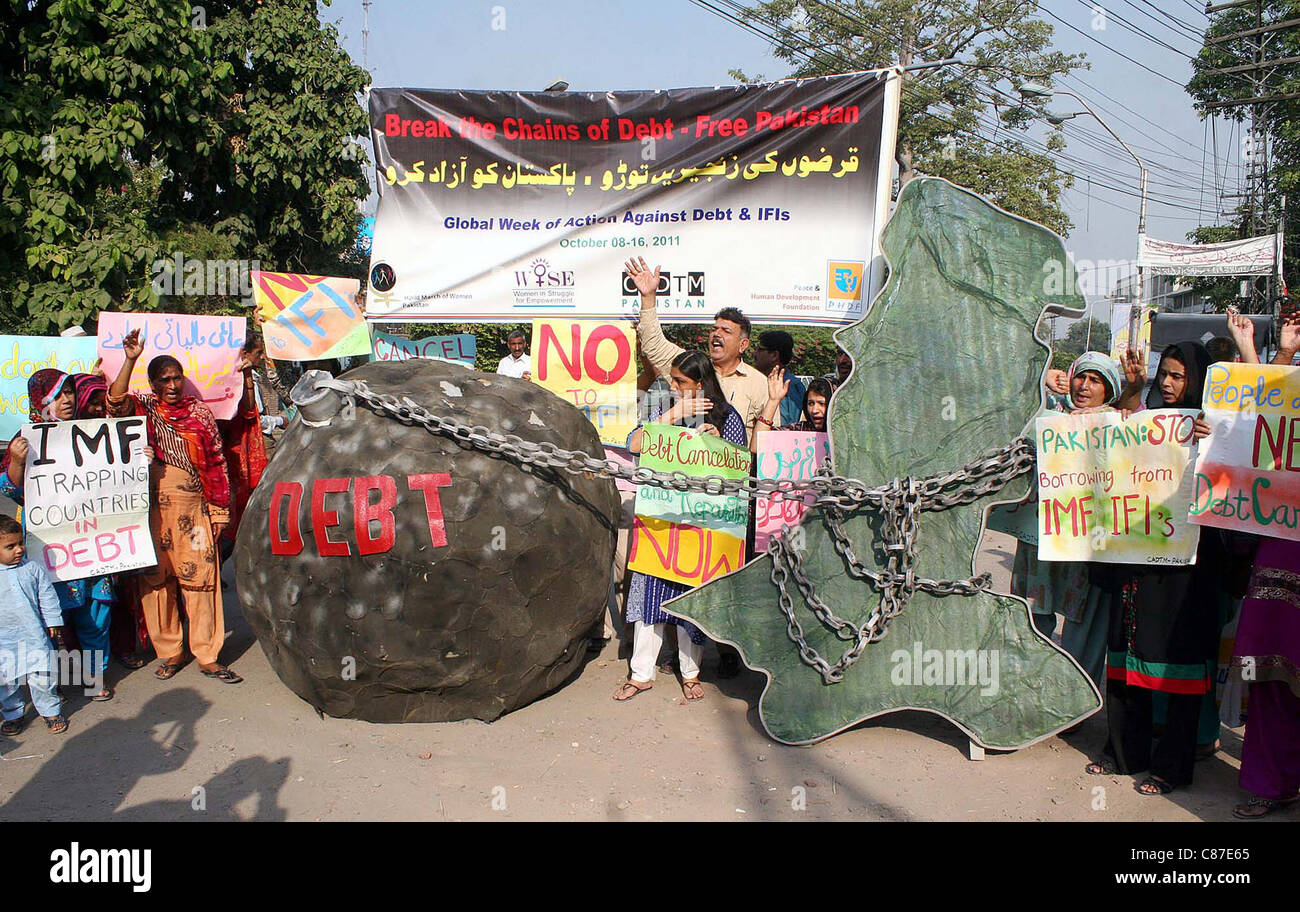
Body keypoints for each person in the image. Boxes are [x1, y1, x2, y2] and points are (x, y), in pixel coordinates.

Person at [1086, 342, 1222, 796]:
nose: (1167, 383)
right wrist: (1131, 395)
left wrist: (1214, 437)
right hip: (1135, 560)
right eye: (1164, 373)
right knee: (1126, 656)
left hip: (1184, 572)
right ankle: (1123, 752)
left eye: (1178, 376)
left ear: (1197, 381)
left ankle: (1171, 766)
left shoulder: (1210, 425)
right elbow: (1123, 445)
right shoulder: (1146, 419)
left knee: (1179, 663)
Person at [107, 329, 243, 684]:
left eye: (176, 377)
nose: (172, 385)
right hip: (149, 514)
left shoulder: (199, 413)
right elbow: (115, 402)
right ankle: (169, 652)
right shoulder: (143, 408)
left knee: (202, 583)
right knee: (155, 583)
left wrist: (218, 512)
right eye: (164, 379)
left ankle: (208, 655)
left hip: (193, 511)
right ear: (152, 384)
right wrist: (131, 359)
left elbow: (215, 462)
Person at [613, 350, 747, 703]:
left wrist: (714, 439)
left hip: (702, 529)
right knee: (648, 599)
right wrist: (673, 416)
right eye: (673, 380)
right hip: (661, 525)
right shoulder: (665, 412)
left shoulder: (726, 416)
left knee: (692, 604)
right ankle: (640, 674)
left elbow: (739, 463)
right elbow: (635, 444)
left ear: (700, 384)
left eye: (681, 382)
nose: (674, 386)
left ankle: (691, 674)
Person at [1011, 351, 1142, 685]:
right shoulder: (1050, 415)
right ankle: (1026, 685)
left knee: (1083, 620)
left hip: (1086, 542)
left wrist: (1135, 388)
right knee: (1031, 613)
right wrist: (1041, 379)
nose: (1084, 386)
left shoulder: (1120, 421)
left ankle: (1072, 691)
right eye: (1080, 377)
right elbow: (1012, 408)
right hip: (1040, 534)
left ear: (1109, 389)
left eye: (1095, 380)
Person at [0, 370, 119, 695]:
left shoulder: (94, 433)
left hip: (90, 541)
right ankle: (59, 682)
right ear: (39, 401)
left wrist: (138, 458)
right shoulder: (24, 440)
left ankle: (95, 678)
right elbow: (10, 488)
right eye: (56, 395)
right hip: (48, 547)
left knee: (95, 614)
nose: (65, 400)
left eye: (68, 392)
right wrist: (17, 461)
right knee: (52, 618)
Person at [1226, 309, 1300, 818]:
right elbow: (1259, 420)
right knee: (1271, 675)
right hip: (1282, 551)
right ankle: (1268, 784)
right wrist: (1278, 353)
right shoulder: (1290, 400)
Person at [626, 256, 768, 441]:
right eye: (714, 329)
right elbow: (653, 344)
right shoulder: (687, 366)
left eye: (725, 331)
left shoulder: (760, 384)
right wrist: (648, 298)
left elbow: (768, 443)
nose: (717, 334)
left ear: (743, 345)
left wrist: (721, 443)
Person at [0, 513, 68, 735]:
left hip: (33, 634)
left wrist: (52, 621)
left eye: (20, 543)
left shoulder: (32, 569)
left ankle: (50, 711)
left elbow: (47, 596)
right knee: (6, 681)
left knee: (42, 677)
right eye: (10, 546)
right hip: (3, 640)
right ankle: (13, 714)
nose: (19, 550)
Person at [219, 332, 270, 552]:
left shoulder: (253, 378)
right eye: (258, 352)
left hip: (243, 449)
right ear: (244, 353)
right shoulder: (227, 380)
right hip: (232, 452)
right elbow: (247, 410)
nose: (262, 357)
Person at [752, 330, 806, 428]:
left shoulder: (786, 385)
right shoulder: (794, 383)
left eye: (759, 349)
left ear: (774, 355)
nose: (754, 353)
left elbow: (782, 425)